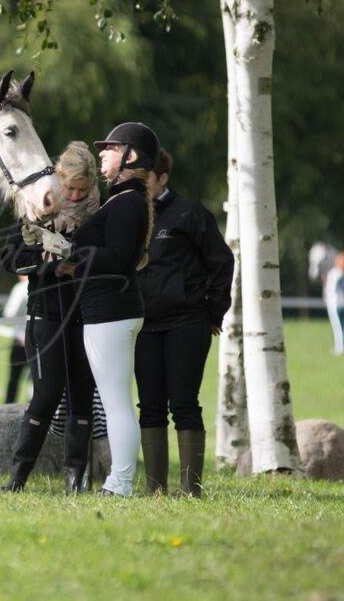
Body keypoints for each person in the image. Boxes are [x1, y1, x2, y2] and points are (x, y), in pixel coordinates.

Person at [54, 123, 156, 497]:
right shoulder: (123, 199)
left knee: (115, 402)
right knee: (115, 401)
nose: (102, 154)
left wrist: (70, 252)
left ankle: (121, 481)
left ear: (131, 156)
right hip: (109, 310)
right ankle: (120, 480)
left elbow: (116, 258)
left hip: (111, 310)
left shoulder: (127, 203)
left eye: (111, 149)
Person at [0, 142, 100, 493]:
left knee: (82, 396)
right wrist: (45, 260)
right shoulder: (34, 208)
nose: (75, 196)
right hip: (45, 315)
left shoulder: (99, 214)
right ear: (58, 180)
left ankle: (75, 478)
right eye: (70, 188)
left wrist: (79, 258)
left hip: (86, 315)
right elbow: (10, 259)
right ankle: (18, 477)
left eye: (82, 190)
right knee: (46, 394)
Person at [134, 147, 233, 496]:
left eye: (145, 176)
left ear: (162, 178)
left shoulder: (190, 214)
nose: (138, 183)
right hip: (143, 326)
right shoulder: (129, 215)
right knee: (150, 405)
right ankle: (155, 488)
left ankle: (191, 489)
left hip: (187, 323)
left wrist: (213, 311)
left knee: (184, 403)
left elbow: (222, 262)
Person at [2, 276, 29, 403]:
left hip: (20, 340)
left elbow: (10, 314)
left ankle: (8, 405)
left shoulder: (20, 288)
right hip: (41, 339)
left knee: (14, 378)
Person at [325, 251, 344, 356]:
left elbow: (329, 289)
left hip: (335, 304)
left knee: (337, 328)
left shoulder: (334, 273)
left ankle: (339, 349)